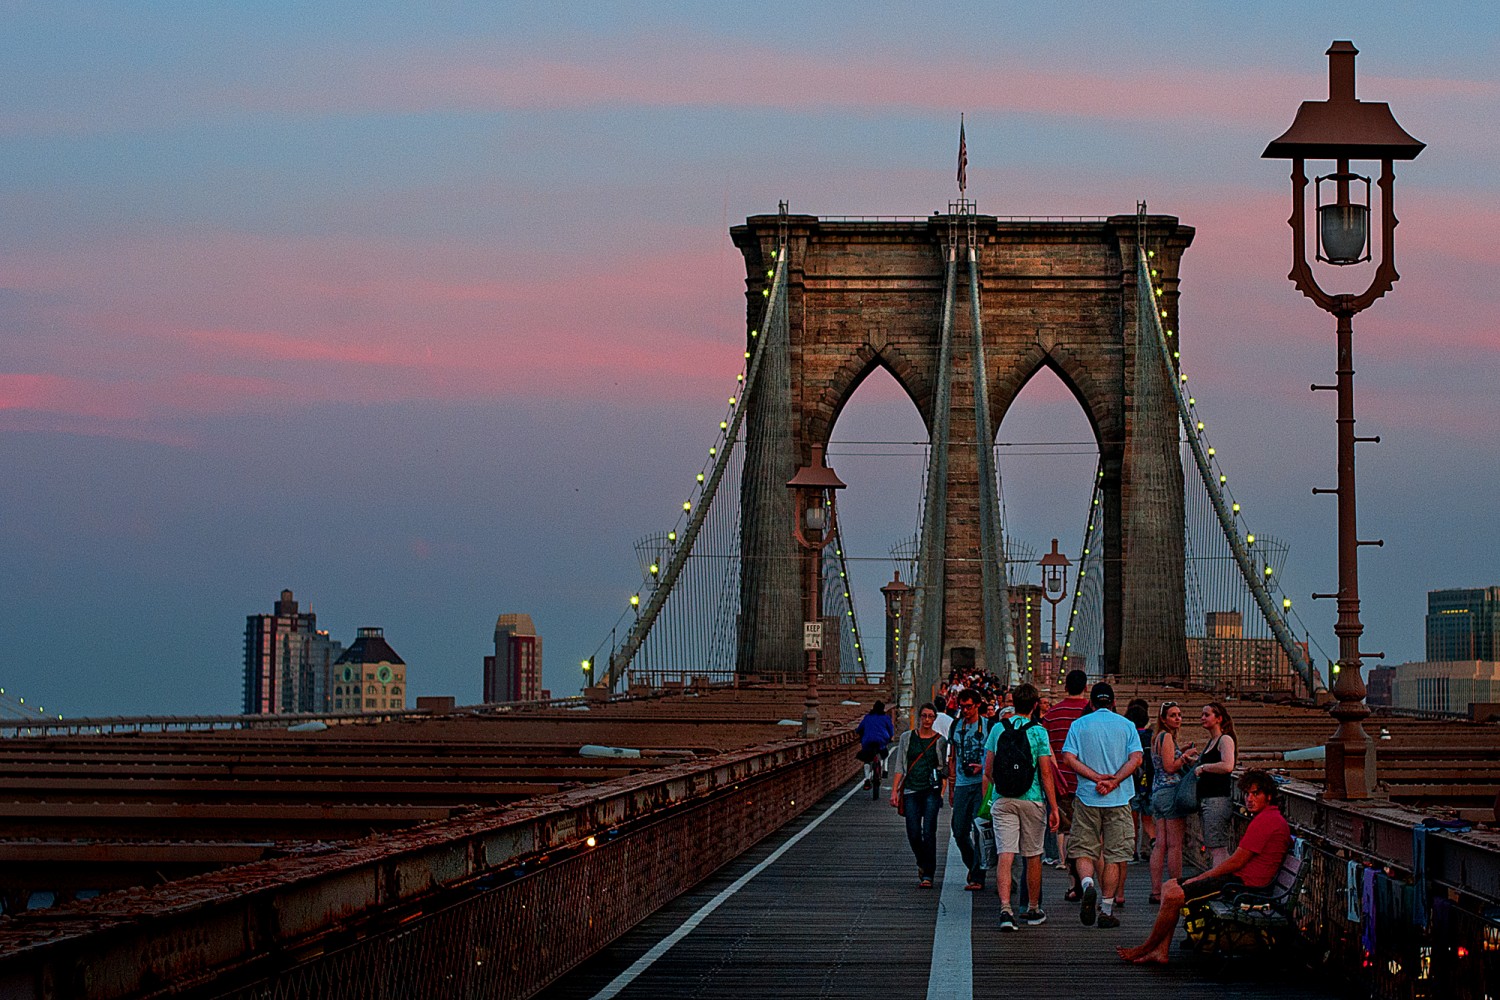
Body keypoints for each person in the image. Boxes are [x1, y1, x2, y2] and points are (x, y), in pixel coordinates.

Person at [1117, 769, 1292, 965]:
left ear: (1268, 796)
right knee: (1169, 887)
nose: (1249, 799)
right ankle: (1161, 951)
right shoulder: (1268, 818)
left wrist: (1201, 877)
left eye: (1255, 794)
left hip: (1244, 887)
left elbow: (1236, 862)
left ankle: (1146, 948)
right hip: (1241, 881)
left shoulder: (1266, 822)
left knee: (1174, 894)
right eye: (1247, 794)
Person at [1059, 682, 1142, 929]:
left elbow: (1068, 758)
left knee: (1083, 849)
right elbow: (1136, 759)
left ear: (1091, 703)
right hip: (1119, 799)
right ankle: (1106, 910)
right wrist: (1114, 781)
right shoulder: (1127, 725)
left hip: (1087, 797)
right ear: (1113, 702)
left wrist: (1095, 778)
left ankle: (1087, 885)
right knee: (1114, 856)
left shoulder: (1079, 725)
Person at [983, 682, 1059, 931]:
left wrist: (1002, 787)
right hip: (1032, 799)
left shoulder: (997, 728)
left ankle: (1005, 909)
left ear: (1012, 702)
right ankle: (1033, 909)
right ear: (1036, 705)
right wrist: (1054, 807)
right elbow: (1046, 772)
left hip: (1003, 799)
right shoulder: (1039, 732)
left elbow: (988, 770)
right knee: (1033, 855)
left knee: (1006, 855)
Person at [1042, 669, 1091, 898]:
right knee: (1090, 834)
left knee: (1067, 831)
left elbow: (1043, 748)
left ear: (1065, 688)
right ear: (1086, 687)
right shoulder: (1091, 713)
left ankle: (1073, 883)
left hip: (1060, 783)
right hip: (1089, 783)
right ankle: (1090, 880)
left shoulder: (1051, 714)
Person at [1147, 700, 1199, 904]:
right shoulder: (1167, 737)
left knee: (1160, 844)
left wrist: (1181, 749)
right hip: (1170, 792)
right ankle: (1174, 888)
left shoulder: (1157, 738)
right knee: (1175, 846)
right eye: (1173, 715)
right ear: (1163, 719)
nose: (1178, 718)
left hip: (1157, 792)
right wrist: (1186, 757)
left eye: (1179, 715)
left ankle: (1156, 891)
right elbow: (1170, 767)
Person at [891, 703, 948, 887]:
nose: (927, 720)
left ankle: (928, 874)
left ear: (934, 718)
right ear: (919, 717)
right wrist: (894, 791)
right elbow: (900, 764)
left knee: (929, 832)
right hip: (910, 790)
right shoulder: (907, 738)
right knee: (913, 831)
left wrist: (942, 790)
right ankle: (922, 861)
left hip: (931, 790)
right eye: (924, 716)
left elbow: (942, 768)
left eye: (931, 716)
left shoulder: (940, 741)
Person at [947, 689, 992, 890]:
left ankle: (977, 876)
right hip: (962, 784)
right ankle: (974, 865)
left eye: (969, 706)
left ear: (977, 705)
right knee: (958, 830)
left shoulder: (989, 726)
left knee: (978, 829)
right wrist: (950, 786)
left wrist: (982, 767)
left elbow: (994, 755)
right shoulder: (955, 726)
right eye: (962, 707)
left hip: (981, 783)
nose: (965, 710)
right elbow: (952, 757)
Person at [1194, 701, 1239, 867]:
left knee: (1218, 847)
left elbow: (1228, 765)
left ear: (1219, 718)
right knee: (1213, 845)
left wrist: (1204, 767)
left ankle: (1218, 883)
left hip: (1217, 800)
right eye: (1202, 715)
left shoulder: (1225, 739)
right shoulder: (1213, 741)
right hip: (1208, 799)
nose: (1202, 718)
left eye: (1207, 715)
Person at [1119, 697, 1154, 909]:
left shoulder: (1127, 735)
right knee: (1149, 818)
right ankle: (1149, 847)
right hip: (1149, 782)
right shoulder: (1150, 736)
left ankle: (1132, 850)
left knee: (1133, 819)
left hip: (1131, 782)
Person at [855, 701, 895, 790]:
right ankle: (885, 770)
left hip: (868, 741)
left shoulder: (867, 717)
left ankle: (867, 779)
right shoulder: (886, 718)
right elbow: (891, 730)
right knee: (885, 753)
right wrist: (890, 738)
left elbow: (859, 729)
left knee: (867, 760)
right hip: (882, 741)